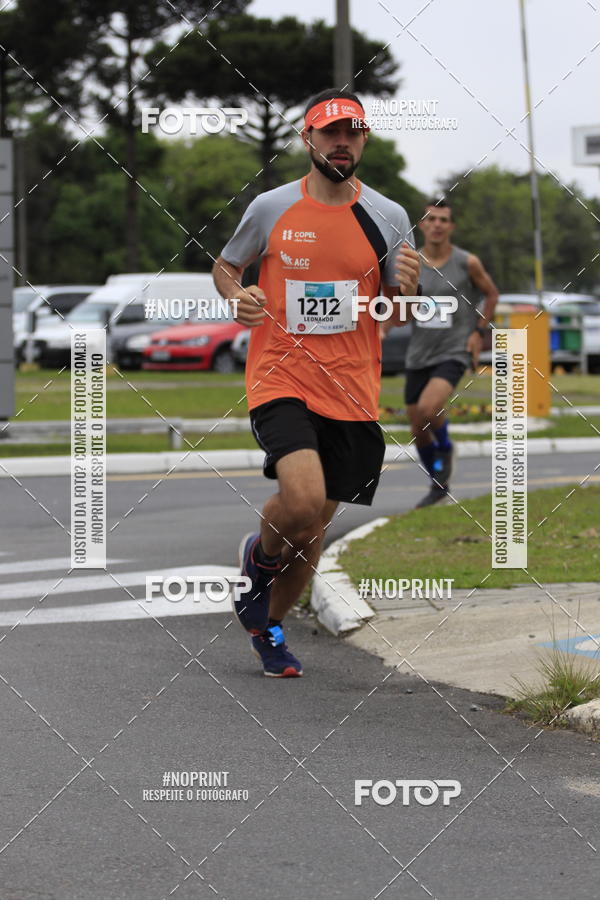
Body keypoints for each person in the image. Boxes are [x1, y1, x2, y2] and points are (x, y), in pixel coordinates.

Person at [213, 88, 420, 677]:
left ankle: (267, 627)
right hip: (280, 373)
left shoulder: (389, 216)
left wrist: (404, 290)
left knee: (315, 530)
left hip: (353, 389)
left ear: (364, 141)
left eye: (352, 132)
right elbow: (226, 267)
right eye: (330, 132)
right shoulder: (272, 207)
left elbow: (395, 316)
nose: (342, 142)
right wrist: (240, 296)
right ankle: (259, 555)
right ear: (308, 139)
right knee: (299, 501)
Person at [400, 199, 498, 508]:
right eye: (431, 219)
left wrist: (478, 331)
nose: (438, 224)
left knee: (430, 410)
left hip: (454, 350)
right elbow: (399, 304)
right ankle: (438, 483)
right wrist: (384, 326)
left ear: (451, 226)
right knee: (418, 427)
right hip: (418, 352)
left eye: (444, 219)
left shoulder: (467, 262)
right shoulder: (411, 262)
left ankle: (445, 448)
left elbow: (491, 294)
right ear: (423, 225)